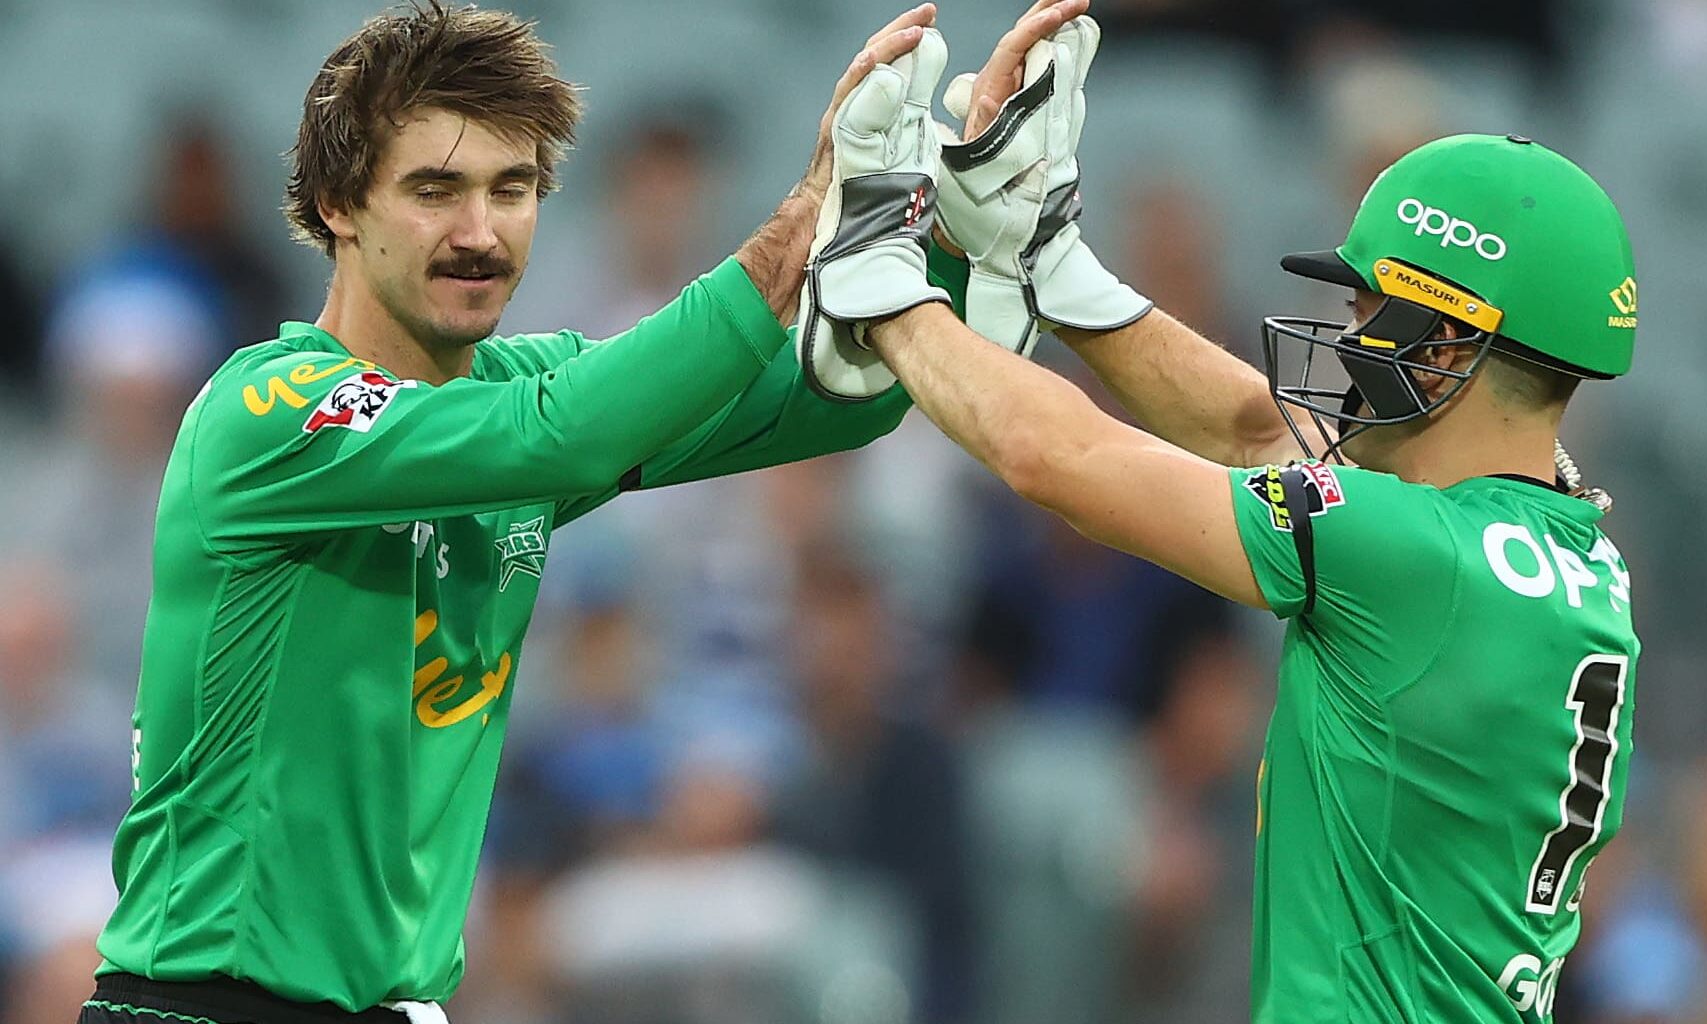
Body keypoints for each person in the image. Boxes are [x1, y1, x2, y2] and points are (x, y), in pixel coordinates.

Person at [77, 2, 1086, 1021]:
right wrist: (803, 227)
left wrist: (953, 243)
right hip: (204, 1006)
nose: (480, 234)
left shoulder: (524, 395)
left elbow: (833, 402)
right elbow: (565, 433)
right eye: (435, 190)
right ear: (340, 203)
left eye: (511, 190)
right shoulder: (267, 412)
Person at [808, 13, 1639, 1022]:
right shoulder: (1568, 555)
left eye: (1372, 313)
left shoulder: (1408, 552)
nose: (1347, 339)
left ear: (1448, 349)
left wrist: (880, 276)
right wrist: (1053, 265)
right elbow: (1256, 430)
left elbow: (1060, 459)